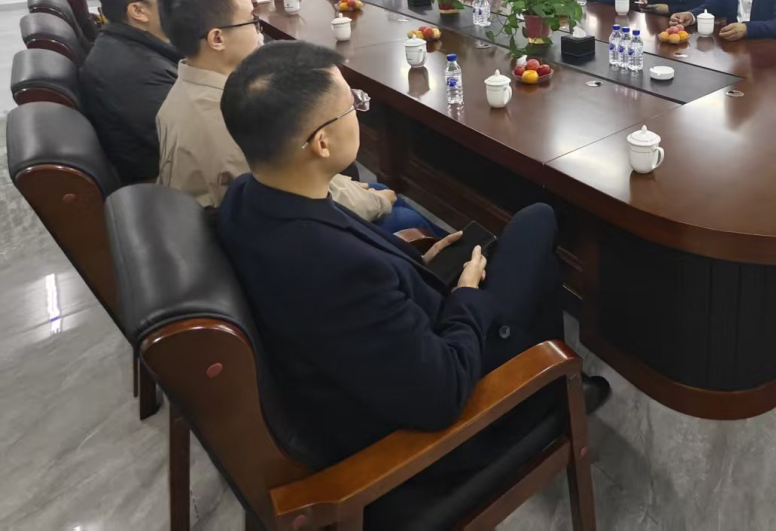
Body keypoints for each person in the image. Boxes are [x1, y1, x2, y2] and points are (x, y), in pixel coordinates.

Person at [216, 40, 607, 472]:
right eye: (353, 106)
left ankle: (553, 393)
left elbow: (364, 292)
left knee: (533, 253)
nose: (359, 112)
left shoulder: (247, 196)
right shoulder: (332, 268)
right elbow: (442, 393)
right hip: (435, 429)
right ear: (321, 143)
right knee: (538, 223)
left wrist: (413, 264)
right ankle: (541, 399)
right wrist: (466, 294)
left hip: (398, 342)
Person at [155, 0, 428, 234]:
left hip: (285, 209)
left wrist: (353, 190)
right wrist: (374, 202)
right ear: (217, 38)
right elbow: (288, 204)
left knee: (379, 192)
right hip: (288, 234)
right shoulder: (226, 119)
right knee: (406, 216)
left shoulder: (186, 90)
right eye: (251, 20)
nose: (258, 30)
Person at [79, 0, 181, 183]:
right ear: (138, 11)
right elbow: (189, 144)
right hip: (167, 183)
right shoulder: (134, 72)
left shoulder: (126, 44)